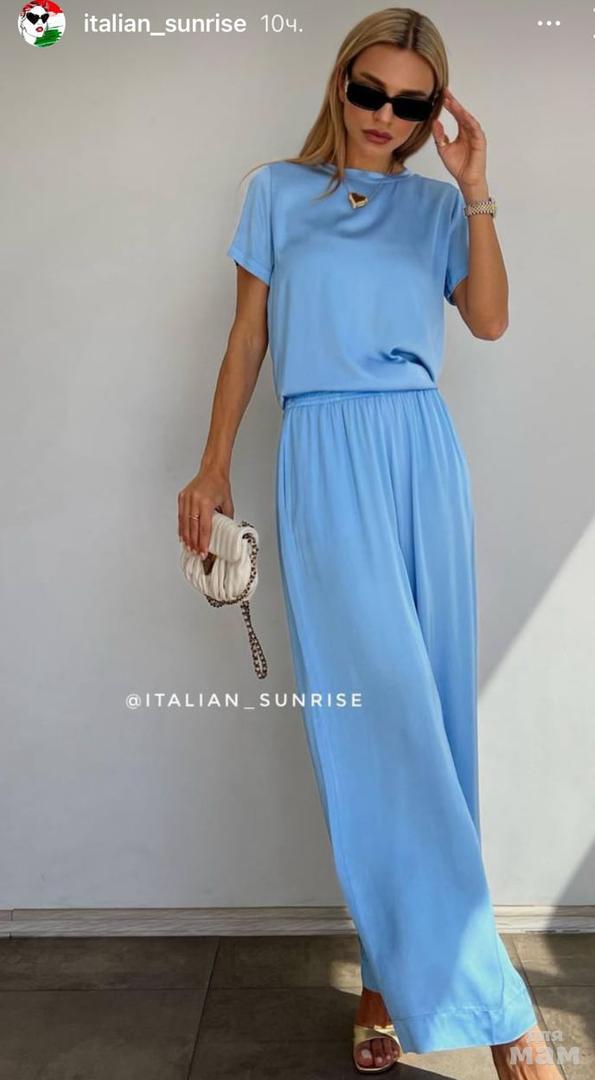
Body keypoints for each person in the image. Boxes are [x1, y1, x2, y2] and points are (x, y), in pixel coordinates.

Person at [178, 7, 563, 1078]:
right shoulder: (276, 191)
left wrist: (476, 189)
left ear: (433, 112)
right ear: (339, 83)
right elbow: (247, 338)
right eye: (369, 91)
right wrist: (212, 466)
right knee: (379, 723)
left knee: (432, 722)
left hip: (421, 456)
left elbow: (487, 320)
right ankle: (502, 1011)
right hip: (323, 453)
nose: (385, 115)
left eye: (411, 102)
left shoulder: (437, 207)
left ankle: (388, 979)